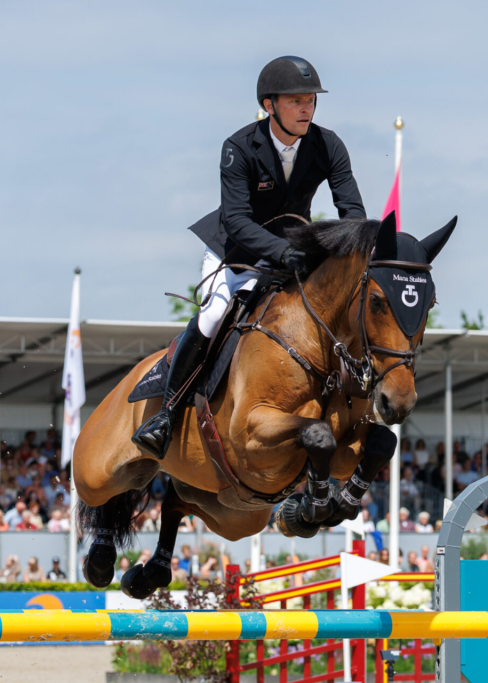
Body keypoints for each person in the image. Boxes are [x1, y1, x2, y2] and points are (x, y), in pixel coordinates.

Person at [131, 55, 366, 460]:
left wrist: (354, 256)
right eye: (295, 101)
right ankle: (166, 414)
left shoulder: (328, 145)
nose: (306, 107)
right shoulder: (239, 148)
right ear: (269, 105)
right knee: (214, 314)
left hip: (292, 254)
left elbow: (353, 212)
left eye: (310, 99)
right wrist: (282, 251)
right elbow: (237, 220)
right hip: (235, 254)